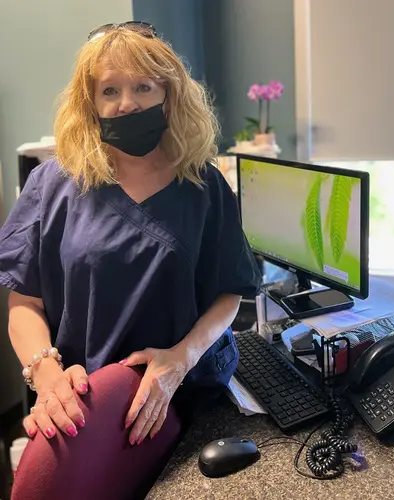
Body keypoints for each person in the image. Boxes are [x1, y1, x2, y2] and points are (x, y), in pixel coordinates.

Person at [0, 21, 261, 449]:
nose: (126, 103)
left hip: (186, 402)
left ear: (168, 94)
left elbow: (228, 294)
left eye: (143, 87)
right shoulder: (52, 185)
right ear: (91, 103)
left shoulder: (203, 186)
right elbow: (24, 301)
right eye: (109, 90)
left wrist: (182, 358)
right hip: (85, 407)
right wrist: (45, 374)